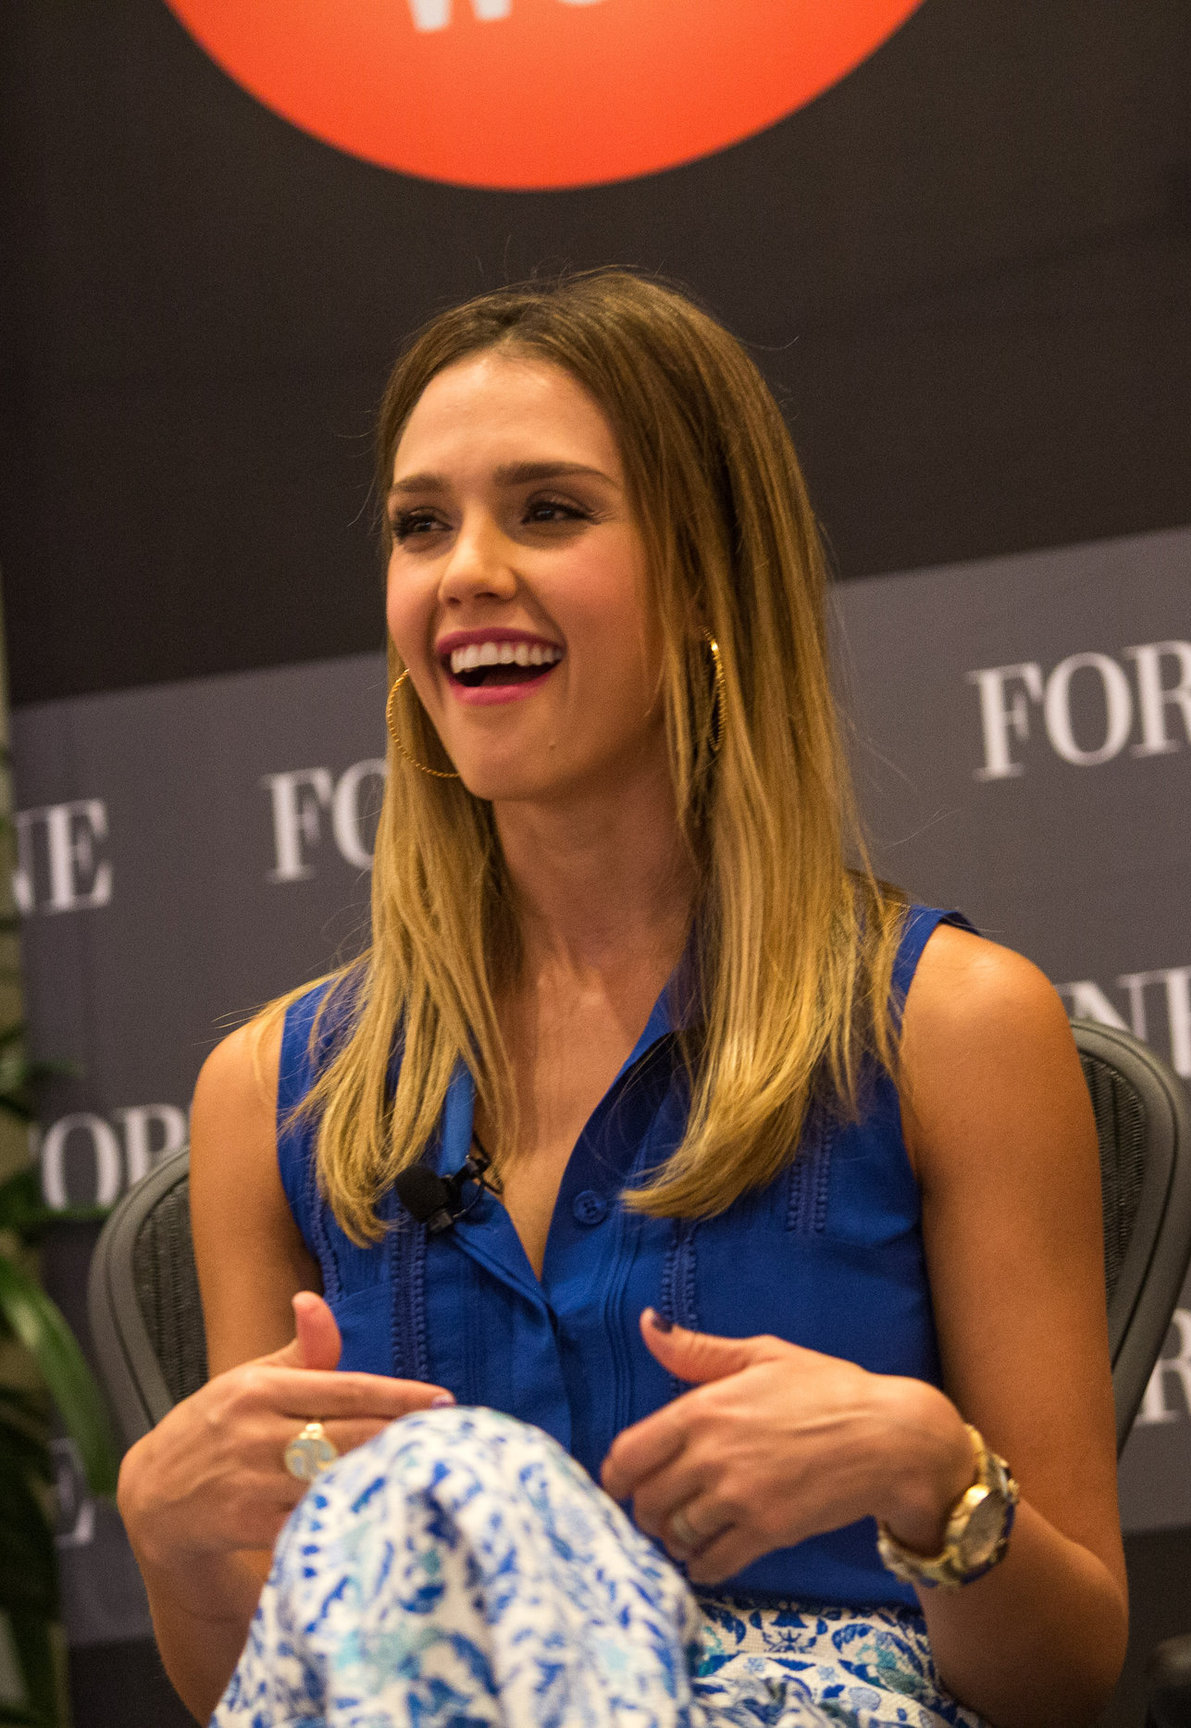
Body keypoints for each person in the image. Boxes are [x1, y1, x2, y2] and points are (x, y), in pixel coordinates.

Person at [117, 272, 1127, 1728]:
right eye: (420, 525)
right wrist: (173, 1543)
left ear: (708, 577)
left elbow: (1065, 1679)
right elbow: (280, 1686)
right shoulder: (271, 1094)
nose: (464, 571)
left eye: (548, 511)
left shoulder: (952, 1028)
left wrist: (929, 1474)